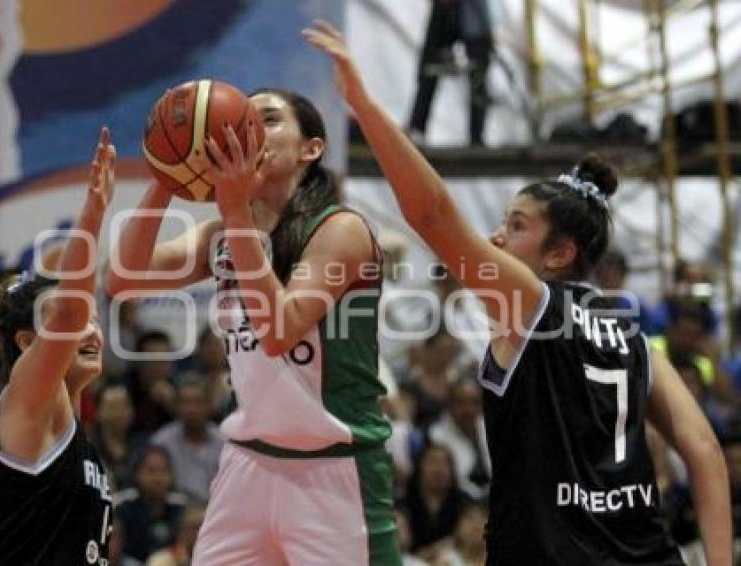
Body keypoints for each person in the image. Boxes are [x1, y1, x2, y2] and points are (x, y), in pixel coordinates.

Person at [305, 20, 731, 565]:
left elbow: (433, 215)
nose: (496, 237)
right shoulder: (637, 339)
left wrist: (364, 104)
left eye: (517, 227)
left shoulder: (529, 304)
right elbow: (704, 453)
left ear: (560, 254)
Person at [108, 89, 400, 564]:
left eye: (268, 118)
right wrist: (169, 174)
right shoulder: (223, 233)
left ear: (311, 149)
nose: (251, 128)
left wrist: (236, 214)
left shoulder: (339, 229)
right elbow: (123, 277)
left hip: (333, 469)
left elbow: (280, 329)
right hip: (247, 463)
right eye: (246, 118)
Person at [0, 127, 116, 565]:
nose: (88, 329)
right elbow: (69, 313)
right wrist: (93, 213)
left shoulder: (73, 435)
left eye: (94, 319)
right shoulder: (24, 403)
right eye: (73, 322)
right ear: (28, 341)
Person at [407, 0, 493, 146]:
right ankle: (417, 128)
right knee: (430, 68)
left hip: (470, 13)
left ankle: (477, 136)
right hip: (448, 10)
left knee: (478, 74)